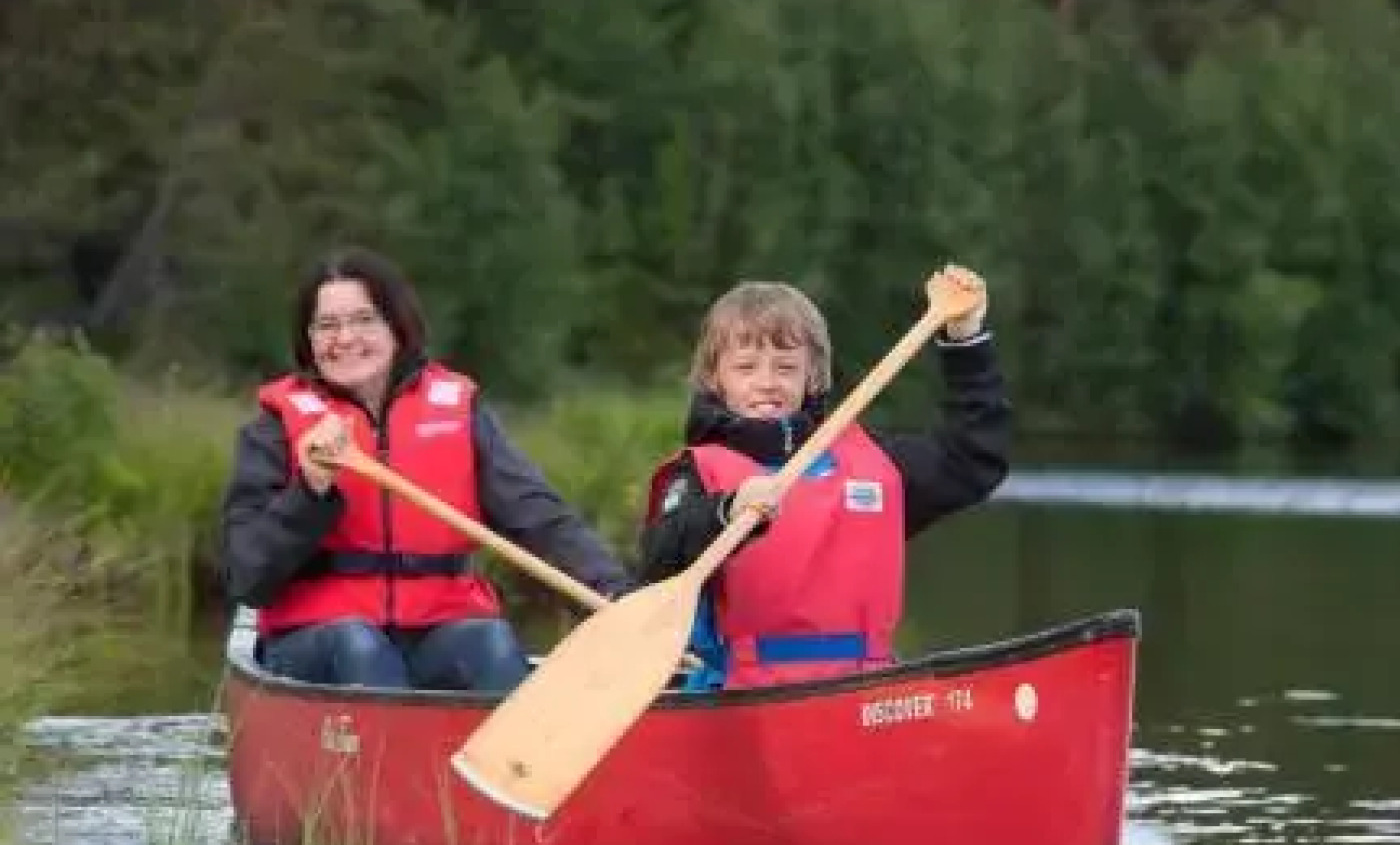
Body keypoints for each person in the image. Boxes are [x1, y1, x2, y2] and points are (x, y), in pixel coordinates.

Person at [219, 247, 634, 693]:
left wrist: (618, 591)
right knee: (361, 648)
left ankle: (515, 741)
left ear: (397, 327)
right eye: (327, 325)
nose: (345, 337)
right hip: (320, 640)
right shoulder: (275, 429)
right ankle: (387, 739)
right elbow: (246, 576)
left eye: (364, 320)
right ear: (309, 340)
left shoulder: (458, 409)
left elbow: (538, 514)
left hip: (438, 629)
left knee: (490, 642)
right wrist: (310, 490)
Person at [638, 263, 1011, 691]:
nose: (766, 383)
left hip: (868, 692)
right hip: (743, 694)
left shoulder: (874, 464)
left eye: (785, 368)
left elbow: (974, 460)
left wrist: (965, 342)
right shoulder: (697, 473)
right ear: (713, 378)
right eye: (746, 367)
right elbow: (656, 561)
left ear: (811, 375)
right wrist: (725, 511)